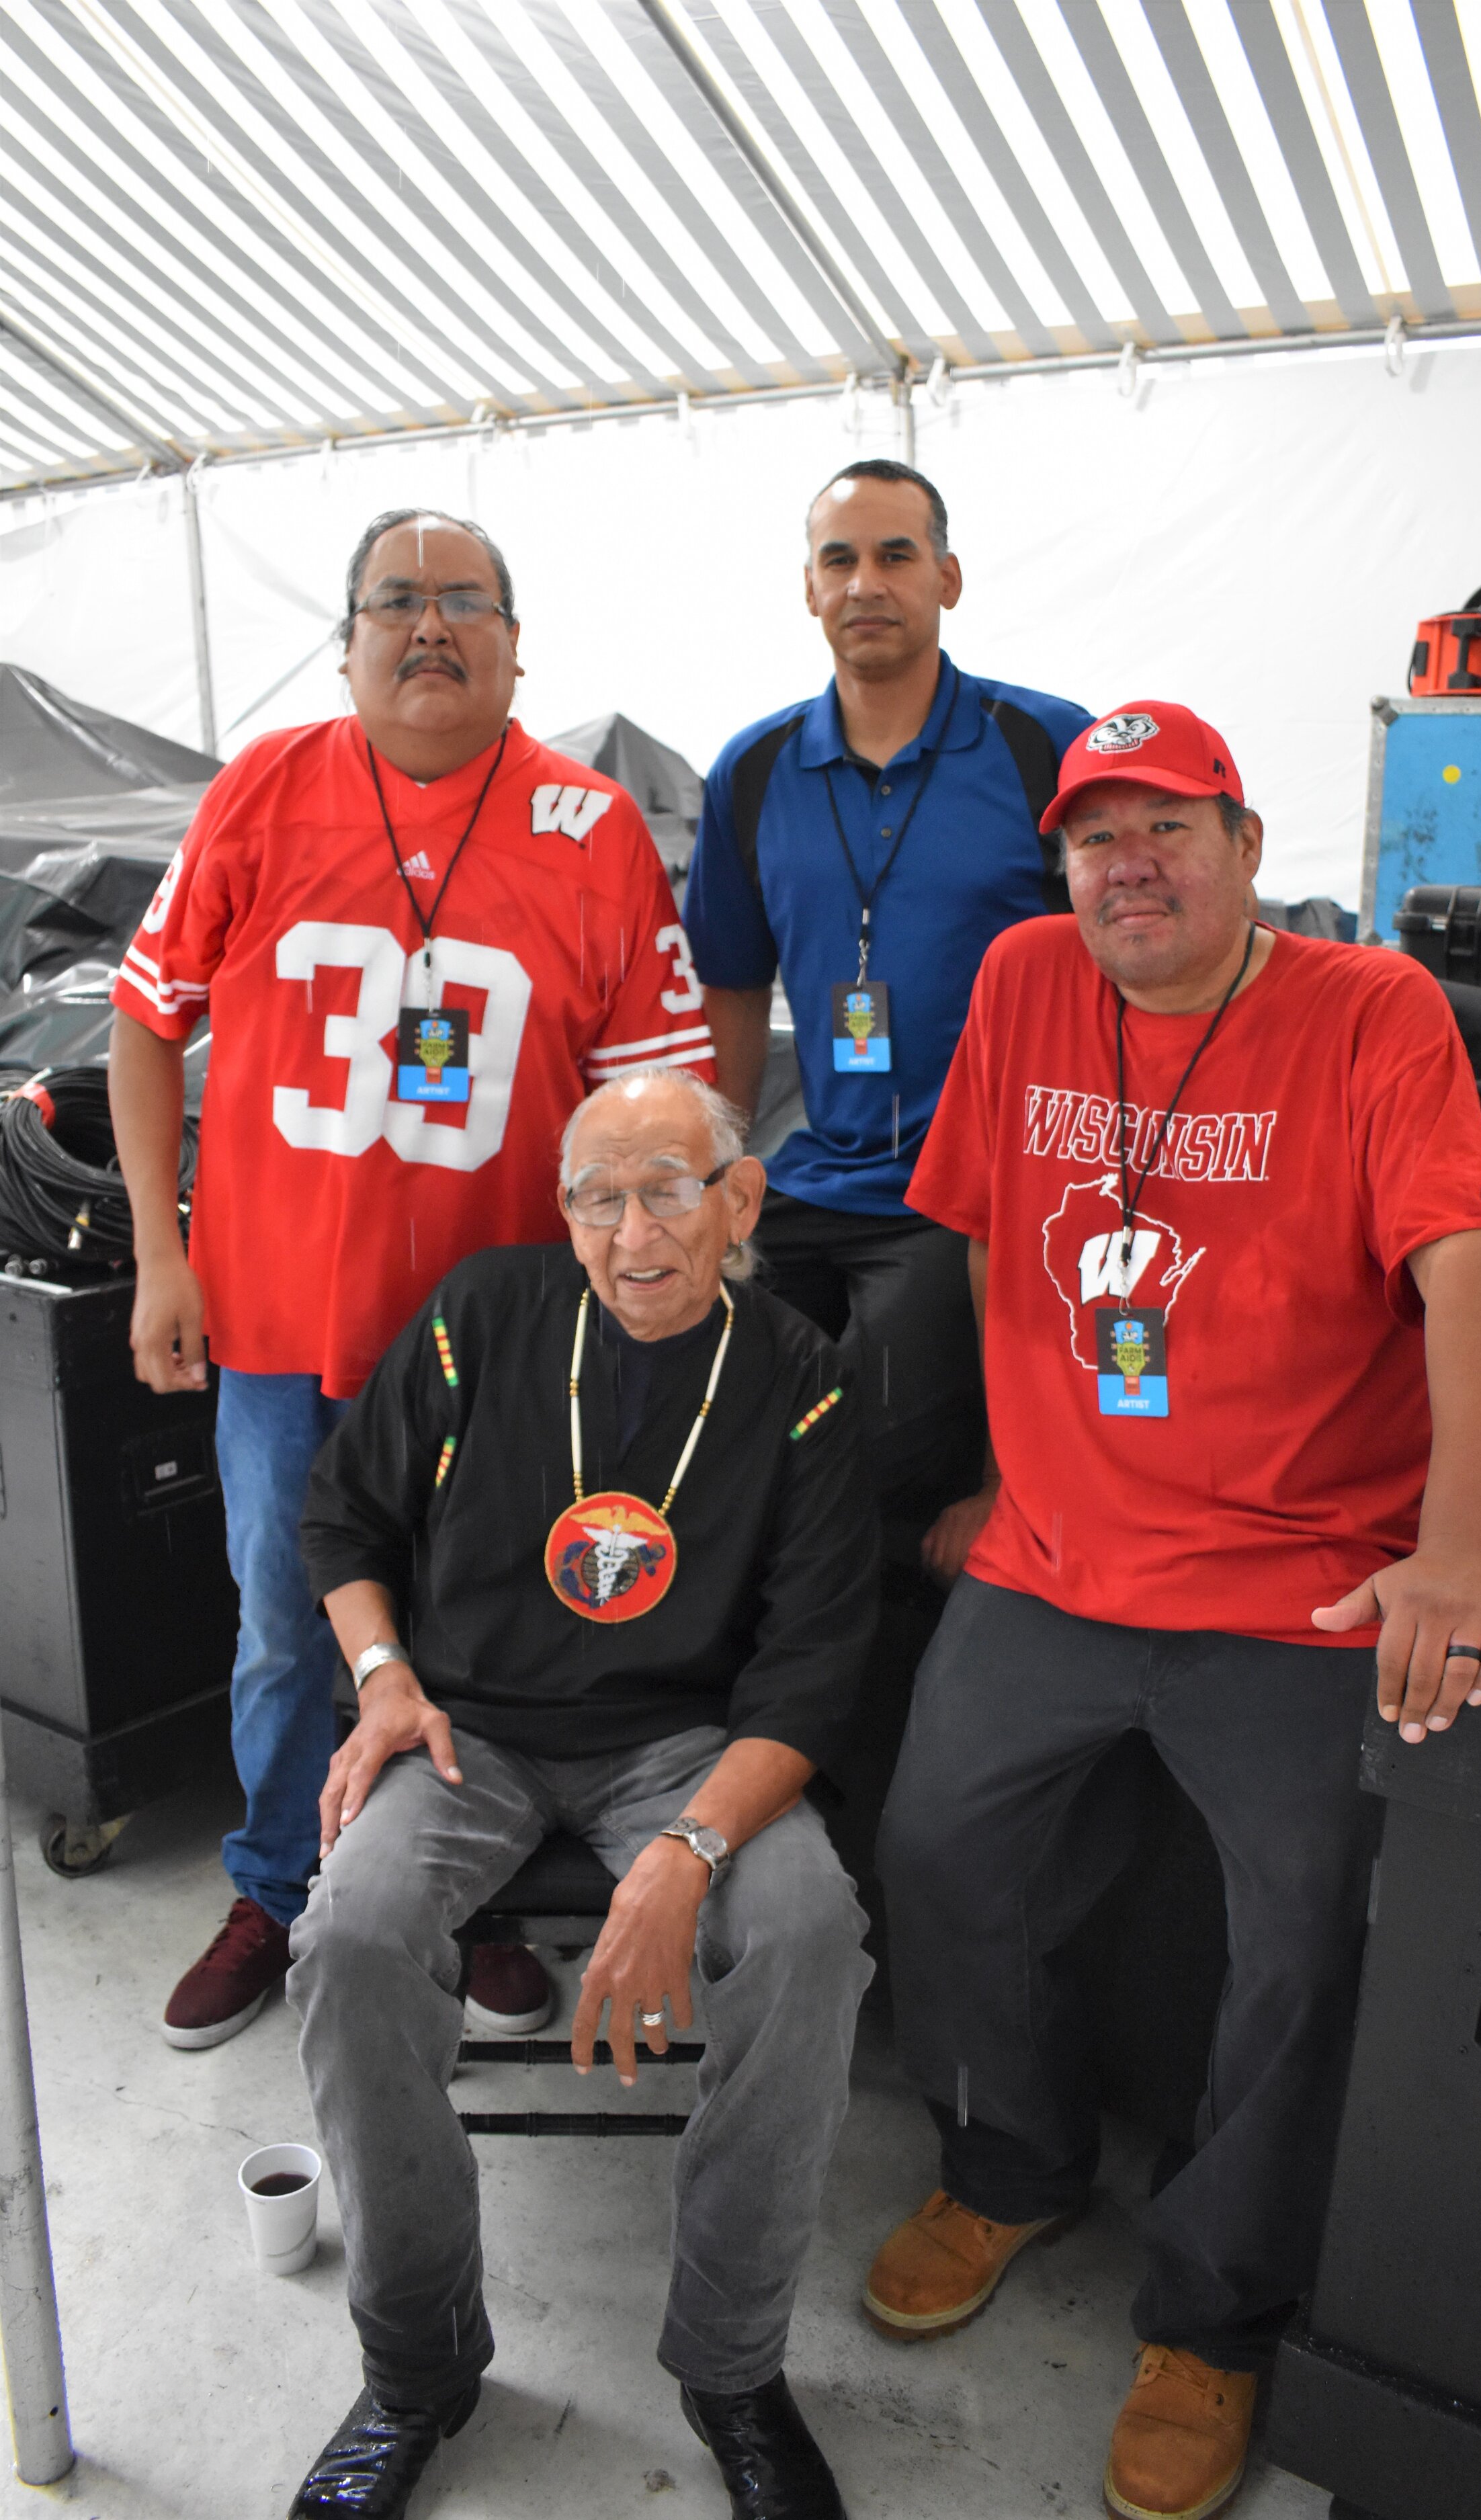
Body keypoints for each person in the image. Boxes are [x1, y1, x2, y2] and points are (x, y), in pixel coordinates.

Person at [863, 702, 1481, 2520]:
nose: (1124, 864)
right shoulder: (1022, 979)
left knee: (1304, 1930)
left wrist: (1456, 1546)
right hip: (1062, 1552)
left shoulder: (1366, 1006)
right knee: (932, 1842)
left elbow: (1463, 1268)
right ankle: (1008, 2161)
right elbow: (995, 1226)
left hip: (1303, 1578)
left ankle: (1214, 2312)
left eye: (1165, 826)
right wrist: (1015, 1464)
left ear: (1244, 842)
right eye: (1093, 835)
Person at [109, 509, 713, 2052]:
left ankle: (471, 1892)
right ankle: (279, 1881)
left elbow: (659, 1096)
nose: (429, 625)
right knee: (279, 1623)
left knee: (484, 1628)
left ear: (519, 643)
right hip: (275, 1325)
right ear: (347, 637)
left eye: (464, 602)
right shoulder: (264, 789)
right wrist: (162, 1257)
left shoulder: (590, 826)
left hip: (501, 1349)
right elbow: (145, 1016)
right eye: (396, 600)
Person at [286, 1069, 875, 2520]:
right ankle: (415, 2368)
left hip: (686, 1747)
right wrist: (382, 1680)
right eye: (595, 1197)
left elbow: (809, 1675)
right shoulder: (480, 1313)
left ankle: (731, 2368)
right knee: (349, 1935)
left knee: (806, 1931)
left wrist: (683, 1855)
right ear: (561, 1214)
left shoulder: (796, 1374)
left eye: (668, 1188)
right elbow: (342, 1516)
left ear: (738, 1199)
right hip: (463, 1726)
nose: (632, 1233)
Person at [682, 458, 1089, 1548]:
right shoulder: (754, 770)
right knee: (694, 1372)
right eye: (840, 559)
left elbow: (1123, 969)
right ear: (809, 589)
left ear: (948, 578)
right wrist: (719, 1174)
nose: (867, 582)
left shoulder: (1042, 746)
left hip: (976, 1190)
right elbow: (731, 980)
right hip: (821, 1174)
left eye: (896, 555)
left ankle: (863, 1677)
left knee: (868, 1435)